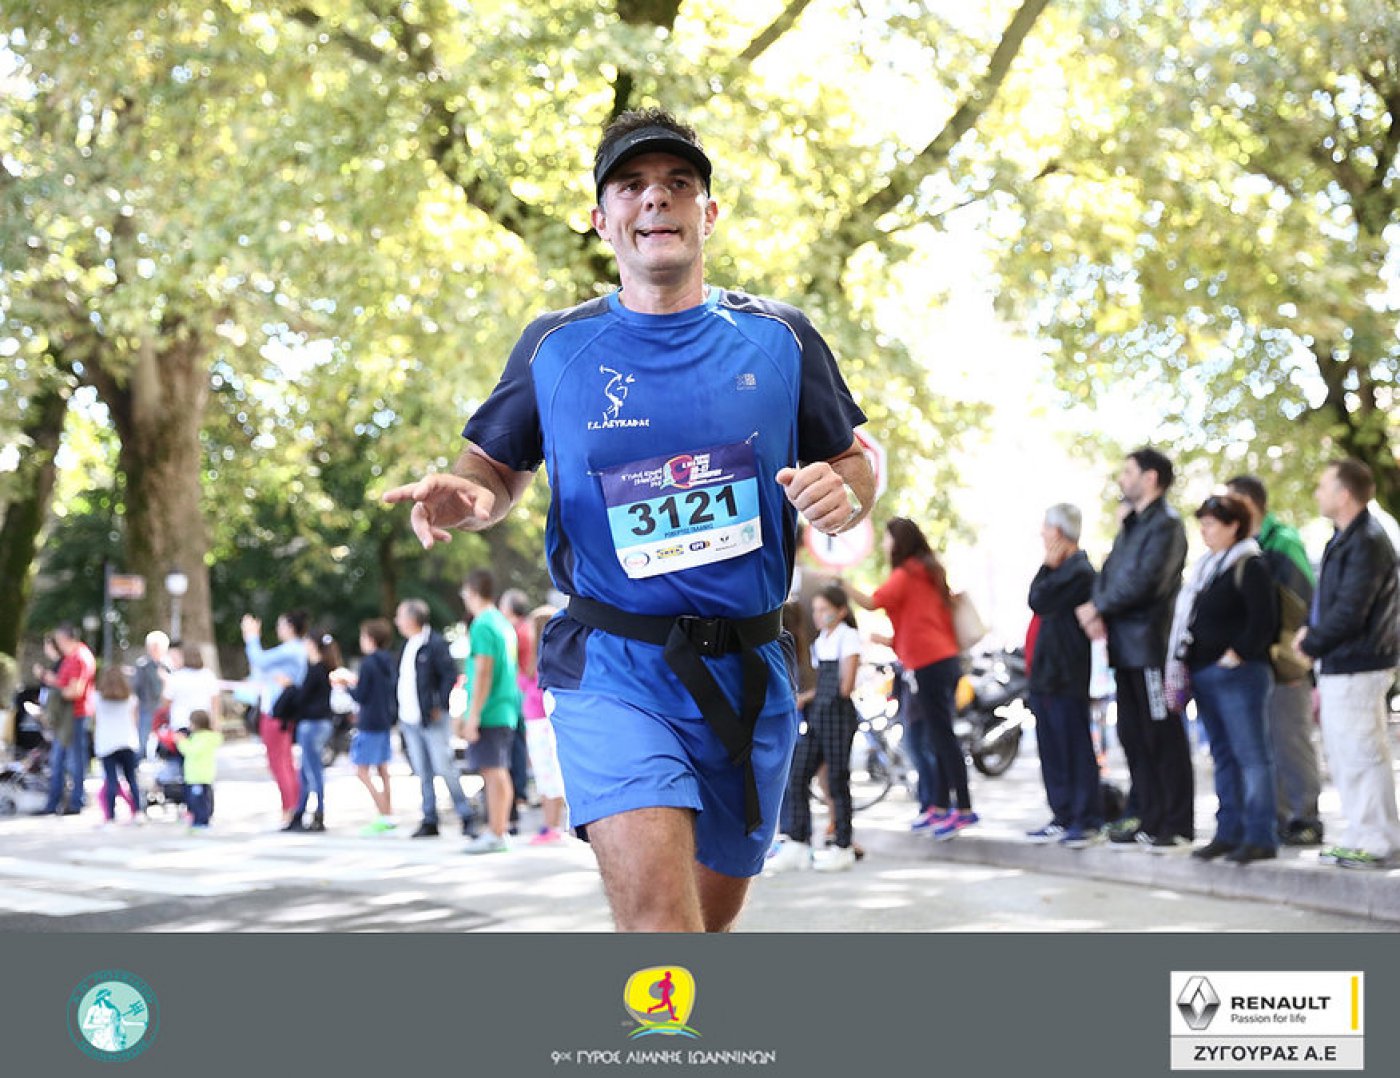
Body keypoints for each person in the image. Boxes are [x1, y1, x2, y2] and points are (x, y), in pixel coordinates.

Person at [383, 107, 872, 932]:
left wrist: (846, 492)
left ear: (708, 214)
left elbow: (851, 460)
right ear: (601, 218)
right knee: (658, 919)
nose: (656, 198)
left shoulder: (780, 338)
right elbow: (491, 470)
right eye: (632, 185)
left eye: (678, 183)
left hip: (751, 673)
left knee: (704, 927)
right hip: (614, 665)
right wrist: (467, 496)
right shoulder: (555, 347)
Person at [1076, 447, 1192, 852]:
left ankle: (1176, 823)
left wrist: (1099, 608)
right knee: (1133, 734)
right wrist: (1097, 606)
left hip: (1151, 648)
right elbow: (1110, 574)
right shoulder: (1133, 526)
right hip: (1124, 649)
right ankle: (1149, 816)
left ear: (1150, 477)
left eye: (1128, 472)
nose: (1122, 479)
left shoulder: (1167, 525)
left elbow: (1146, 582)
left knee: (1162, 735)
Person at [1294, 459, 1400, 869]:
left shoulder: (1367, 540)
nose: (1317, 493)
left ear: (1344, 494)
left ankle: (1377, 840)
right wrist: (1312, 634)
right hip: (1342, 661)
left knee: (1361, 753)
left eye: (1324, 486)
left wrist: (1312, 642)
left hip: (1360, 662)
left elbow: (1352, 609)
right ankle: (1360, 833)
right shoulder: (1345, 538)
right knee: (1344, 754)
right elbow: (1331, 603)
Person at [845, 518, 974, 839]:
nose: (884, 544)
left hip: (930, 664)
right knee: (938, 736)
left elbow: (871, 602)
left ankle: (963, 809)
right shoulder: (927, 571)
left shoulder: (906, 574)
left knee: (942, 738)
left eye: (887, 538)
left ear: (898, 541)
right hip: (940, 660)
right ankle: (940, 807)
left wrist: (841, 584)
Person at [1169, 493, 1279, 864]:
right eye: (1202, 523)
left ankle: (1260, 835)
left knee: (1252, 756)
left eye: (1211, 524)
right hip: (1205, 674)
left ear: (1234, 526)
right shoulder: (1208, 568)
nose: (1204, 530)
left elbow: (1264, 621)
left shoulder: (1250, 564)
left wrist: (1235, 655)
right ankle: (1228, 832)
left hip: (1239, 675)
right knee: (1223, 756)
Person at [1225, 474, 1324, 846]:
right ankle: (1277, 817)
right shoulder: (1242, 546)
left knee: (1290, 740)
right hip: (1253, 665)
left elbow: (1300, 604)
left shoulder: (1282, 541)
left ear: (1248, 503)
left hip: (1284, 665)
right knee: (1265, 743)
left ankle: (1305, 818)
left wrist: (1290, 659)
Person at [767, 585, 863, 872]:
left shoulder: (848, 637)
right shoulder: (821, 641)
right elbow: (823, 684)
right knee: (797, 775)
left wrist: (817, 696)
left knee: (837, 780)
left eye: (825, 610)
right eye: (816, 610)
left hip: (838, 715)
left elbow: (845, 686)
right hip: (819, 714)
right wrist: (807, 698)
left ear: (841, 611)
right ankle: (798, 842)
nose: (819, 616)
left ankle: (843, 845)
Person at [1025, 504, 1103, 848]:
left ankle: (1085, 818)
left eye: (1046, 527)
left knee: (1074, 746)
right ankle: (1063, 814)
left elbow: (1038, 599)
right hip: (1046, 674)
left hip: (1067, 673)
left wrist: (1046, 566)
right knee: (1051, 749)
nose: (1042, 533)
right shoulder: (1060, 571)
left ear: (1058, 532)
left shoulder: (1079, 571)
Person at [393, 599, 477, 838]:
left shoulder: (434, 644)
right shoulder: (407, 645)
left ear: (412, 618)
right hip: (410, 718)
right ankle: (429, 818)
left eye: (400, 616)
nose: (397, 621)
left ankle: (465, 814)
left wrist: (439, 703)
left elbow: (449, 675)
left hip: (432, 717)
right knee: (422, 770)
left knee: (444, 766)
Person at [457, 570, 523, 854]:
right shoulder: (501, 622)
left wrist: (473, 714)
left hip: (491, 709)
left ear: (471, 591)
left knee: (493, 772)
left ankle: (497, 831)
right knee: (498, 771)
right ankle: (497, 829)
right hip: (505, 706)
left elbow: (483, 671)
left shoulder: (482, 624)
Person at [242, 610, 309, 826]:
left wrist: (252, 637)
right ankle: (291, 807)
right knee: (284, 762)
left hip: (277, 714)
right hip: (282, 713)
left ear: (290, 627)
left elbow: (259, 660)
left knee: (279, 762)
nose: (278, 629)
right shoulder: (297, 650)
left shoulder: (291, 650)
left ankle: (290, 809)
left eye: (281, 625)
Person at [511, 601, 569, 845]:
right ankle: (551, 824)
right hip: (540, 721)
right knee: (547, 774)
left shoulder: (541, 660)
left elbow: (530, 688)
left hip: (540, 721)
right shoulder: (552, 658)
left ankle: (553, 825)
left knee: (548, 774)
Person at [335, 618, 398, 835]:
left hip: (370, 722)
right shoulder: (388, 661)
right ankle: (388, 813)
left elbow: (361, 695)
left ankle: (385, 814)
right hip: (385, 720)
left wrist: (346, 686)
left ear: (370, 639)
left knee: (362, 771)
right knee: (382, 769)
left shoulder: (369, 663)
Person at [275, 632, 341, 833]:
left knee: (312, 771)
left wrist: (289, 688)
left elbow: (302, 698)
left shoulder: (315, 669)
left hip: (312, 724)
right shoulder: (322, 668)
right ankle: (301, 812)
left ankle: (317, 813)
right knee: (306, 770)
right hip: (320, 724)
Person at [36, 624, 96, 816]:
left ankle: (76, 801)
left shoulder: (80, 657)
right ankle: (55, 802)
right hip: (66, 717)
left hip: (75, 715)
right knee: (59, 760)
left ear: (64, 639)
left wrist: (55, 687)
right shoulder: (71, 657)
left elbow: (74, 691)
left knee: (74, 760)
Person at [91, 664, 143, 824]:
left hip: (107, 743)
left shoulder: (97, 698)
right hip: (127, 741)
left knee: (111, 780)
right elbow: (135, 720)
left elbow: (95, 719)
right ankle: (138, 812)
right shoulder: (131, 699)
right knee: (131, 779)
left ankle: (110, 816)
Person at [175, 709, 223, 829]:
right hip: (201, 775)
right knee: (202, 800)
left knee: (198, 802)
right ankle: (199, 821)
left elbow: (191, 751)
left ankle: (201, 822)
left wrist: (181, 742)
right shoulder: (206, 737)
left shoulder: (202, 738)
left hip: (197, 775)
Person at [162, 642, 220, 733]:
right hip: (203, 722)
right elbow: (215, 701)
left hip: (181, 722)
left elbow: (166, 701)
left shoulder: (176, 677)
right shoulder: (208, 675)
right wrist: (215, 721)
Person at [131, 630, 170, 760]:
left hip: (165, 709)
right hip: (147, 708)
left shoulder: (168, 665)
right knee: (142, 741)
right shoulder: (142, 665)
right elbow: (135, 688)